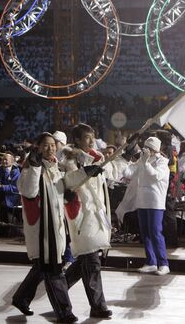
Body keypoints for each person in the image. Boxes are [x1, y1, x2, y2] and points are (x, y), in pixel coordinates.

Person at [12, 133, 77, 323]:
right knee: (53, 270)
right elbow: (29, 191)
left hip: (55, 227)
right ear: (38, 147)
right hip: (42, 229)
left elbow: (57, 194)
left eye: (53, 145)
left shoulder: (55, 167)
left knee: (43, 267)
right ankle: (64, 312)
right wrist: (33, 166)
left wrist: (67, 195)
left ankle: (21, 298)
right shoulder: (31, 167)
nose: (51, 149)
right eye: (46, 146)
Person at [63, 123, 113, 318]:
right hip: (82, 215)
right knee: (92, 262)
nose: (91, 141)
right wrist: (86, 171)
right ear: (77, 140)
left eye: (92, 136)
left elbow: (113, 174)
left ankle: (58, 288)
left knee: (86, 260)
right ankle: (98, 306)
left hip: (96, 214)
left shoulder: (97, 157)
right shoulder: (70, 159)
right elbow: (69, 181)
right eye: (86, 137)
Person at [120, 136, 171, 275]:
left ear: (155, 150)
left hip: (155, 202)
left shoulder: (162, 163)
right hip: (142, 201)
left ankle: (163, 263)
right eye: (145, 148)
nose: (145, 151)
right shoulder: (142, 160)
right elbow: (128, 173)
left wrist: (145, 162)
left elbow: (154, 176)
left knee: (155, 232)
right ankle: (151, 262)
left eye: (149, 149)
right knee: (145, 233)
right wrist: (125, 159)